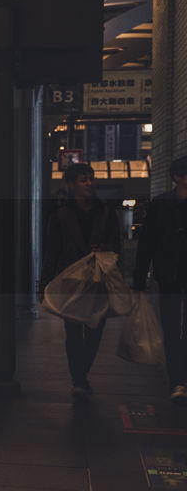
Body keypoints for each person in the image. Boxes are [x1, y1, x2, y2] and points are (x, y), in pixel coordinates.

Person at [40, 162, 121, 402]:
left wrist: (103, 249)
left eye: (91, 179)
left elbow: (117, 246)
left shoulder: (106, 212)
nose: (89, 183)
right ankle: (79, 380)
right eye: (84, 180)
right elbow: (51, 252)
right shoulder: (60, 216)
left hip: (98, 279)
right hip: (71, 280)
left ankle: (81, 372)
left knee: (95, 330)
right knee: (73, 331)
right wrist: (43, 284)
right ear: (71, 184)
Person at [132, 155, 187, 406]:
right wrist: (139, 280)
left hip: (172, 274)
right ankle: (178, 381)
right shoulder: (161, 204)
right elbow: (147, 244)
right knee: (172, 329)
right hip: (170, 275)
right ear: (177, 177)